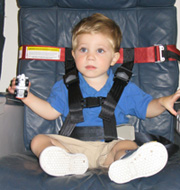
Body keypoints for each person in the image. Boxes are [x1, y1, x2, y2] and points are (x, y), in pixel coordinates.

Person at [8, 13, 180, 184]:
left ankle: (126, 164)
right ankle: (66, 163)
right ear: (74, 56)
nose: (90, 56)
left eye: (100, 50)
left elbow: (147, 108)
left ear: (113, 58)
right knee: (39, 140)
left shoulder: (123, 88)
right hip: (73, 149)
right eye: (83, 50)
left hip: (111, 146)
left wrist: (162, 102)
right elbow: (50, 112)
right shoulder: (65, 86)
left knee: (127, 147)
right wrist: (26, 96)